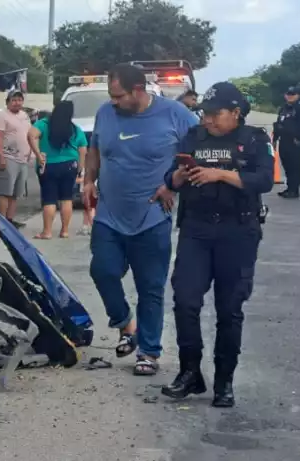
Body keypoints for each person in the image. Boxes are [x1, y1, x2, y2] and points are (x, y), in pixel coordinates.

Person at [161, 82, 273, 407]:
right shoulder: (194, 137)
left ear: (236, 113)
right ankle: (190, 371)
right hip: (196, 229)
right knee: (185, 301)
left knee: (228, 310)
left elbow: (264, 179)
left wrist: (220, 175)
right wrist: (179, 177)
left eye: (215, 114)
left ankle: (224, 382)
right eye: (205, 114)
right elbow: (171, 178)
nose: (208, 120)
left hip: (237, 232)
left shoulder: (254, 139)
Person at [81, 63, 198, 376]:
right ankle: (124, 323)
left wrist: (173, 182)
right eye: (111, 96)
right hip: (109, 213)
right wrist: (89, 178)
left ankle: (148, 351)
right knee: (102, 270)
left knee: (150, 287)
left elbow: (199, 151)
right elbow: (95, 148)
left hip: (152, 216)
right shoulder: (106, 113)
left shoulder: (176, 115)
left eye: (118, 96)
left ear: (137, 90)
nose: (113, 102)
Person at [32, 100, 85, 239]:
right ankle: (65, 231)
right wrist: (80, 166)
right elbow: (83, 148)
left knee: (49, 199)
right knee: (66, 198)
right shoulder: (74, 128)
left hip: (49, 165)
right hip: (70, 165)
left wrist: (38, 154)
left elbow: (31, 135)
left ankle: (47, 232)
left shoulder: (44, 124)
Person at [0, 90, 42, 227]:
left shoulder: (24, 115)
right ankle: (1, 221)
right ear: (8, 102)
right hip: (8, 157)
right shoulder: (2, 116)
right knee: (5, 191)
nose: (17, 103)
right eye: (14, 100)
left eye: (19, 100)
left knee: (15, 192)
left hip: (23, 159)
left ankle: (10, 220)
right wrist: (1, 156)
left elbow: (28, 135)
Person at [273, 86, 300, 199]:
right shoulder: (283, 108)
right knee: (286, 165)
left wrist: (298, 138)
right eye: (288, 94)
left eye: (292, 94)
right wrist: (274, 139)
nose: (290, 96)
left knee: (294, 166)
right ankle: (289, 189)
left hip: (294, 142)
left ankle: (294, 190)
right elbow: (278, 124)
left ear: (297, 96)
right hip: (283, 140)